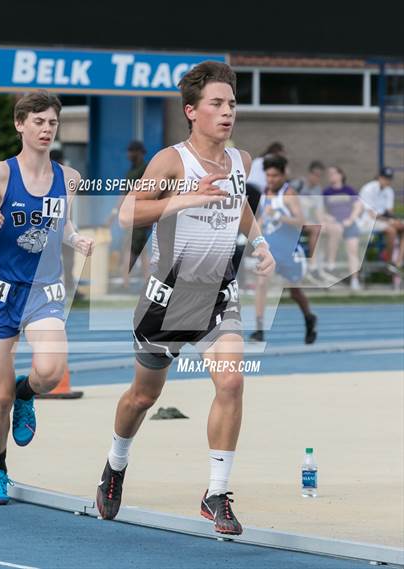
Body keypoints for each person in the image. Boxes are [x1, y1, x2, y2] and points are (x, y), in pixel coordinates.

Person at [96, 61, 275, 535]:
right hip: (166, 300)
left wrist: (259, 244)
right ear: (192, 112)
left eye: (232, 104)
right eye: (216, 104)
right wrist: (185, 198)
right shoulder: (171, 161)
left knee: (232, 383)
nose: (227, 112)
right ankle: (115, 465)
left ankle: (216, 494)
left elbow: (239, 206)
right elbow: (127, 213)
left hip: (217, 296)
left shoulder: (243, 161)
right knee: (142, 396)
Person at [0, 90, 94, 505]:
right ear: (20, 124)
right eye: (38, 122)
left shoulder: (70, 178)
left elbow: (61, 223)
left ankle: (27, 392)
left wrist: (76, 238)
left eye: (52, 123)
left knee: (49, 372)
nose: (46, 129)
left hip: (44, 290)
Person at [249, 155, 318, 344]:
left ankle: (309, 317)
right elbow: (262, 220)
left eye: (275, 176)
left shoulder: (289, 194)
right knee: (261, 284)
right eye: (268, 176)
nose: (271, 180)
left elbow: (301, 221)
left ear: (283, 175)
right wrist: (255, 234)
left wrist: (280, 216)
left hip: (289, 251)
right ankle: (259, 329)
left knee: (295, 292)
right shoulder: (265, 192)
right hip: (271, 250)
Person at [108, 141, 150, 289]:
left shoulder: (145, 169)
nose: (129, 154)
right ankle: (145, 280)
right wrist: (114, 214)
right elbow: (124, 194)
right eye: (128, 151)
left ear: (140, 153)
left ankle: (125, 281)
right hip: (132, 214)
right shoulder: (131, 171)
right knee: (141, 249)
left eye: (132, 151)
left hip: (139, 214)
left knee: (130, 248)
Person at [50, 148, 85, 301]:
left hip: (63, 225)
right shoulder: (54, 178)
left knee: (66, 259)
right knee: (62, 260)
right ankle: (64, 287)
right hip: (57, 226)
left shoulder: (66, 177)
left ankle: (69, 286)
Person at [322, 166, 363, 290]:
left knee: (353, 251)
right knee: (334, 232)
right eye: (329, 174)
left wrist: (350, 220)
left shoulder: (349, 190)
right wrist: (328, 218)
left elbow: (358, 206)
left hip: (348, 224)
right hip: (334, 225)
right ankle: (330, 268)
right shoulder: (326, 192)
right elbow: (320, 211)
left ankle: (355, 280)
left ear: (341, 175)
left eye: (334, 173)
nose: (331, 176)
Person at [359, 167, 404, 271]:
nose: (387, 180)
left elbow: (389, 212)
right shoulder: (368, 188)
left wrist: (394, 220)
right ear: (379, 177)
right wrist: (390, 221)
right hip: (367, 221)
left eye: (389, 178)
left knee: (401, 226)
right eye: (385, 178)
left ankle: (398, 262)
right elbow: (371, 215)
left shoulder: (389, 190)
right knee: (391, 231)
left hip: (382, 220)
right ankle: (389, 263)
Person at [291, 161, 328, 283]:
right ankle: (312, 266)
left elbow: (319, 210)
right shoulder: (298, 184)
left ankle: (322, 266)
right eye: (316, 174)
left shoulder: (317, 190)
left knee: (327, 229)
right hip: (291, 220)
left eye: (320, 175)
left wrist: (324, 221)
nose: (317, 178)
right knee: (316, 228)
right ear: (310, 173)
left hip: (306, 222)